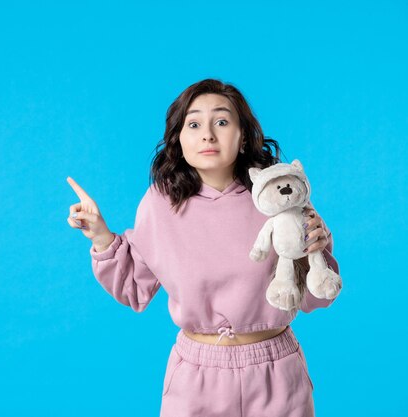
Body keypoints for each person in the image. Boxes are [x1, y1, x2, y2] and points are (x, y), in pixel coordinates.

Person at [66, 78, 340, 417]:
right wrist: (100, 235)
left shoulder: (281, 198)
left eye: (222, 121)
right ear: (179, 140)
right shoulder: (160, 203)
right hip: (198, 376)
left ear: (243, 137)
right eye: (193, 124)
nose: (208, 134)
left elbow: (318, 297)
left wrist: (315, 250)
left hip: (275, 370)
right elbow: (133, 287)